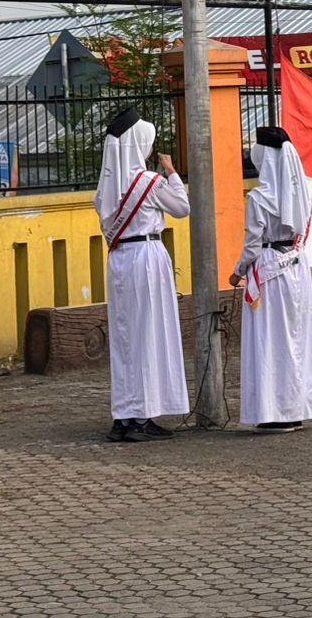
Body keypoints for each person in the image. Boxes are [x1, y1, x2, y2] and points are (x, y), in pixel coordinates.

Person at [92, 107, 190, 443]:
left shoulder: (107, 186)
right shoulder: (148, 182)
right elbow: (182, 208)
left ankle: (124, 415)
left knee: (126, 337)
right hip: (147, 257)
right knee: (148, 334)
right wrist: (172, 173)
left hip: (120, 258)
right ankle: (141, 417)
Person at [230, 126, 312, 431]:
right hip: (296, 265)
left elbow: (252, 245)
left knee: (270, 341)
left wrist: (238, 270)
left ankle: (274, 411)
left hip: (269, 268)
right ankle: (295, 408)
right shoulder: (300, 193)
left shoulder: (258, 198)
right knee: (296, 339)